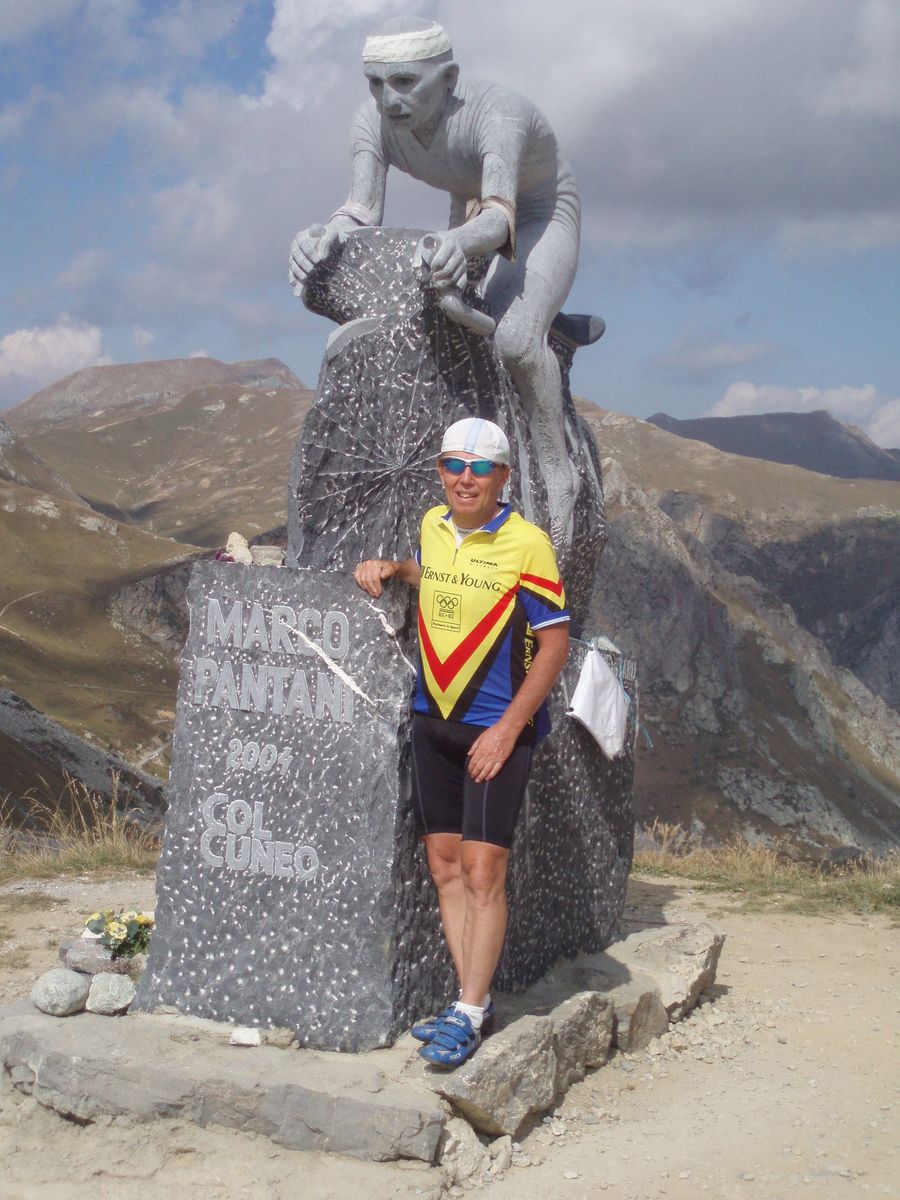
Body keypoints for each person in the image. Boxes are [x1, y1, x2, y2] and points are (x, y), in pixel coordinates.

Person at [290, 16, 585, 554]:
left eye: (405, 82)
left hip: (537, 214)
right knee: (444, 327)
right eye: (376, 83)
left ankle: (557, 470)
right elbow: (360, 210)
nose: (389, 99)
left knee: (514, 341)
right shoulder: (371, 122)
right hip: (465, 212)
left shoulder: (498, 114)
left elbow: (499, 217)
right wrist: (323, 236)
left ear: (448, 78)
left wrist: (456, 243)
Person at [354, 417, 569, 1068]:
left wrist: (508, 730)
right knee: (445, 867)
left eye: (480, 468)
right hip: (433, 720)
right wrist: (394, 568)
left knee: (483, 872)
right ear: (441, 471)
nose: (465, 479)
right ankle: (466, 1002)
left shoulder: (527, 544)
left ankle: (471, 1011)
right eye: (453, 465)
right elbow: (433, 574)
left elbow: (554, 645)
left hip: (495, 727)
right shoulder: (433, 525)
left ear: (503, 476)